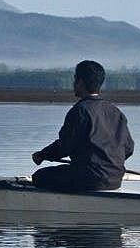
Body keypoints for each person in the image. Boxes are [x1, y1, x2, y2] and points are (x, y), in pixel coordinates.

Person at [31, 60, 134, 192]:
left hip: (88, 179)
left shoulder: (80, 111)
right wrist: (110, 162)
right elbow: (129, 148)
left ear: (80, 82)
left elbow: (65, 146)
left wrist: (42, 155)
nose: (74, 84)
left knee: (39, 177)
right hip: (115, 180)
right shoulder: (115, 112)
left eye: (75, 79)